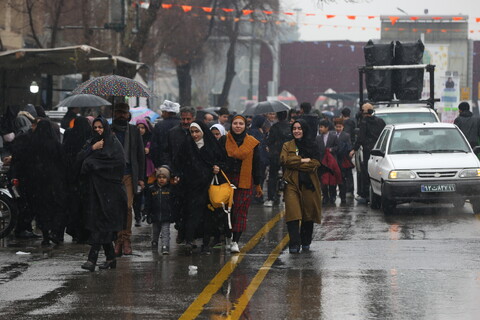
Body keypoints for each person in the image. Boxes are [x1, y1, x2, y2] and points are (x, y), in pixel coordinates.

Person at [78, 117, 127, 272]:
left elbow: (117, 164)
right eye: (95, 127)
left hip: (110, 192)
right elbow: (80, 160)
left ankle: (92, 260)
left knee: (101, 223)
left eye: (100, 127)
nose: (98, 130)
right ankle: (111, 258)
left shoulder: (114, 144)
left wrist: (95, 164)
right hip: (95, 191)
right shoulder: (92, 142)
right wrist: (92, 149)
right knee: (101, 222)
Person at [174, 121, 225, 254]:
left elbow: (221, 160)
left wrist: (217, 167)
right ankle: (189, 240)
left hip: (208, 185)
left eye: (197, 131)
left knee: (208, 215)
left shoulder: (212, 145)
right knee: (191, 214)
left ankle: (206, 243)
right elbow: (179, 162)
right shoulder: (186, 145)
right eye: (192, 132)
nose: (195, 135)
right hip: (190, 186)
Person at [219, 115, 262, 253]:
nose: (238, 126)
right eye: (235, 123)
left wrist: (258, 183)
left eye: (241, 124)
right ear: (231, 125)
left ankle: (235, 241)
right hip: (226, 179)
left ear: (245, 126)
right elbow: (218, 157)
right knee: (225, 211)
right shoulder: (224, 140)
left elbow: (257, 164)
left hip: (245, 180)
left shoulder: (252, 142)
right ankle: (227, 236)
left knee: (240, 211)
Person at [280, 119, 322, 253]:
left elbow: (315, 163)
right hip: (291, 183)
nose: (296, 131)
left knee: (308, 214)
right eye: (294, 128)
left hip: (309, 183)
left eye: (299, 128)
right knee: (293, 214)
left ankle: (305, 242)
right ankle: (294, 243)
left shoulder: (313, 145)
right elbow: (285, 160)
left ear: (304, 130)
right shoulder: (287, 145)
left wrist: (295, 163)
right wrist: (302, 159)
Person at [110, 102, 145, 256]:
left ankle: (126, 239)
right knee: (116, 208)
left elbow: (140, 155)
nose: (121, 115)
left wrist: (141, 178)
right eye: (118, 112)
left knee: (128, 207)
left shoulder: (133, 131)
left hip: (129, 174)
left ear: (128, 114)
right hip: (112, 175)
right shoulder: (108, 130)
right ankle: (117, 239)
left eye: (124, 113)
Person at [27, 120, 68, 245]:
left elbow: (28, 162)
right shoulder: (55, 144)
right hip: (54, 181)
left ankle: (45, 235)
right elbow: (62, 162)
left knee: (41, 208)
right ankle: (54, 231)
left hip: (37, 181)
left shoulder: (32, 144)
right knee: (56, 207)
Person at [163, 106, 196, 245]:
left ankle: (189, 235)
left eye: (188, 119)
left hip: (194, 175)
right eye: (183, 119)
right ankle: (181, 230)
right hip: (177, 174)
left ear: (193, 118)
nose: (186, 121)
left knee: (192, 207)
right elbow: (167, 153)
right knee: (178, 206)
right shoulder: (173, 133)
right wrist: (171, 171)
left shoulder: (197, 132)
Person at [62, 117, 93, 243]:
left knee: (74, 206)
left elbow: (64, 153)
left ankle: (75, 232)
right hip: (86, 177)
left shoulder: (70, 135)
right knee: (86, 206)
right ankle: (86, 232)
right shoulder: (90, 137)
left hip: (72, 177)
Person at [350, 103, 386, 203]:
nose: (361, 112)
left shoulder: (364, 122)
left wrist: (354, 149)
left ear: (366, 112)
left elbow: (361, 138)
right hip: (380, 150)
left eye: (362, 110)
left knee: (367, 173)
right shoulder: (381, 121)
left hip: (368, 151)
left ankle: (367, 196)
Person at [144, 166, 176, 255]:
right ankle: (154, 241)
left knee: (166, 231)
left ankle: (165, 246)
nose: (161, 179)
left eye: (164, 177)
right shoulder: (152, 189)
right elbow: (148, 203)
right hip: (155, 214)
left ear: (168, 179)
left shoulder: (170, 189)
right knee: (155, 230)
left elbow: (173, 203)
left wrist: (173, 214)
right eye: (160, 177)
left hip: (166, 215)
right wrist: (147, 213)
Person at [265, 111, 292, 206]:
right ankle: (287, 197)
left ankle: (271, 198)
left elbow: (269, 141)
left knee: (272, 176)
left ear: (277, 116)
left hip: (275, 155)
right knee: (288, 176)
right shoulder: (290, 127)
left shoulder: (274, 127)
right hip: (287, 155)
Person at [133, 119, 155, 227]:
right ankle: (137, 216)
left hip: (148, 171)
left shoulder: (151, 139)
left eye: (143, 127)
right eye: (138, 127)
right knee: (137, 195)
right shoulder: (133, 140)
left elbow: (156, 152)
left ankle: (147, 213)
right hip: (137, 171)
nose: (141, 130)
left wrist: (149, 151)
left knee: (148, 193)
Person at [316, 119, 340, 205]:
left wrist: (331, 149)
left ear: (327, 128)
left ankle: (333, 196)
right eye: (319, 127)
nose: (320, 129)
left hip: (331, 162)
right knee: (323, 180)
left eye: (322, 127)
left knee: (332, 179)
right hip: (322, 162)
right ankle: (325, 196)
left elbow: (338, 147)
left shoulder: (333, 137)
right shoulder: (318, 138)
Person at [151, 100, 180, 168]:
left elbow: (154, 147)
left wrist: (156, 163)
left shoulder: (159, 126)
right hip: (180, 163)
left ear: (167, 112)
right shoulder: (181, 124)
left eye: (163, 112)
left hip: (163, 163)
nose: (162, 114)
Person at [247, 115, 268, 204]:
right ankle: (256, 197)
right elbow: (258, 147)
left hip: (259, 159)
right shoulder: (255, 132)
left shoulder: (255, 131)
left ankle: (257, 196)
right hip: (259, 160)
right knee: (258, 179)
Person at [333, 118, 354, 204]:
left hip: (342, 159)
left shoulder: (346, 135)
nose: (338, 128)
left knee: (342, 179)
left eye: (340, 127)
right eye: (337, 127)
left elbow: (349, 146)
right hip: (334, 159)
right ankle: (333, 196)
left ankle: (343, 196)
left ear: (343, 127)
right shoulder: (332, 135)